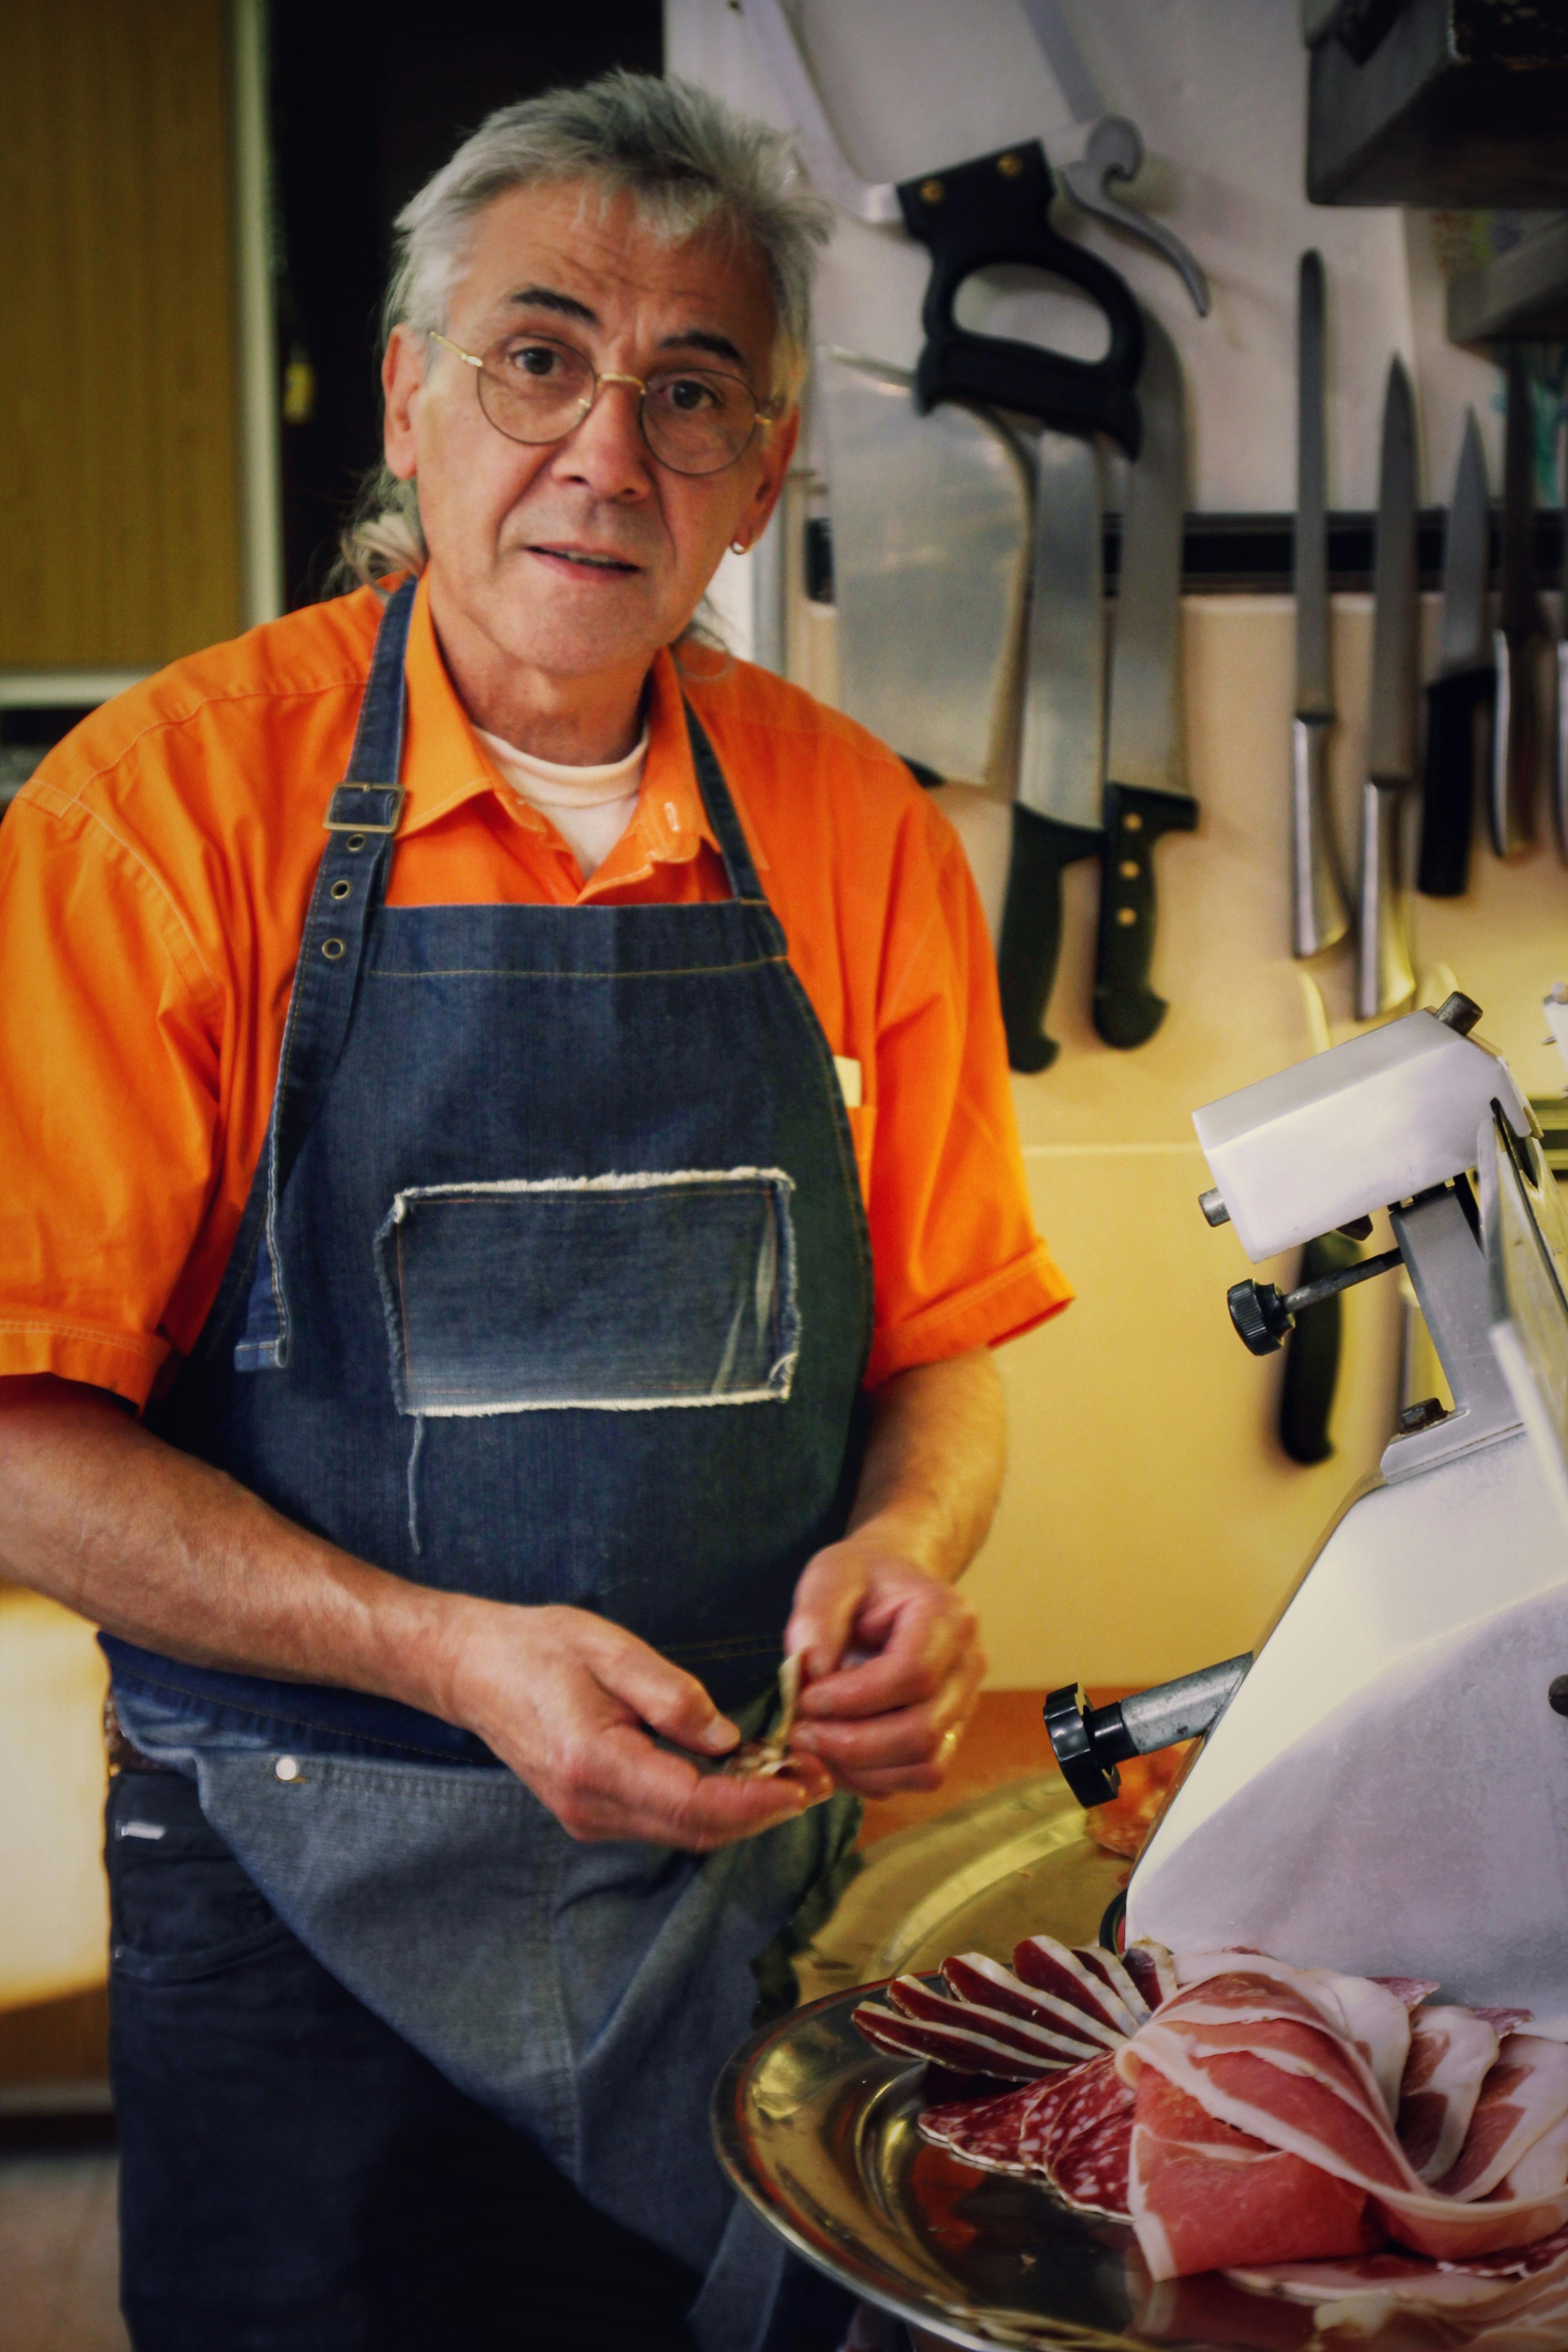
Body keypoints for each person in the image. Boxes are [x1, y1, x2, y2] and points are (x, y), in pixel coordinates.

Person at [0, 71, 1069, 2352]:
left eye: (693, 393)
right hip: (299, 1879)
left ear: (762, 476)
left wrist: (910, 1554)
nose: (609, 450)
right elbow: (18, 1439)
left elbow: (940, 1350)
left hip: (737, 1895)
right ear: (407, 401)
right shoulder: (157, 819)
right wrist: (441, 1653)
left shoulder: (860, 830)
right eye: (540, 355)